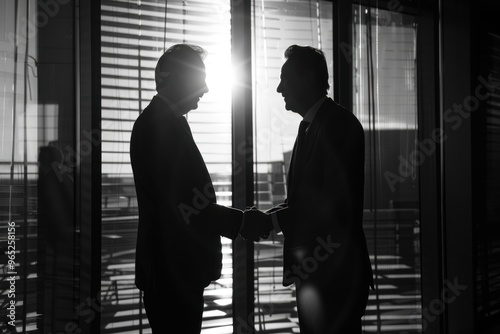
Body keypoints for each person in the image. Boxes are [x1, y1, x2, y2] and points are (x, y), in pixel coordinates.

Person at [130, 44, 269, 333]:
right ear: (178, 78)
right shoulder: (159, 126)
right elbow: (184, 205)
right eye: (199, 79)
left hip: (175, 272)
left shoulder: (168, 123)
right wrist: (242, 221)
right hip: (172, 274)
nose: (205, 89)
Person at [259, 45, 374, 333]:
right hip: (315, 276)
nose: (278, 88)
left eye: (285, 78)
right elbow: (301, 199)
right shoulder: (308, 127)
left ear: (309, 78)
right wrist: (270, 216)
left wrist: (270, 221)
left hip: (336, 278)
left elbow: (330, 204)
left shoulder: (339, 125)